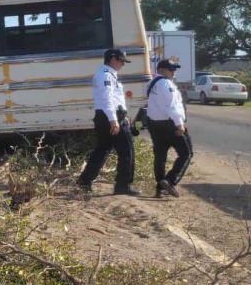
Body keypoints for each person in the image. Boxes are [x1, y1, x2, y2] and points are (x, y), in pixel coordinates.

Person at [77, 49, 140, 196]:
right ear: (112, 59)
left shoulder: (109, 74)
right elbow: (107, 99)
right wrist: (114, 120)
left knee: (102, 150)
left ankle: (85, 180)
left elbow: (116, 100)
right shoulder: (105, 75)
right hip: (110, 117)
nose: (123, 64)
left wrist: (124, 116)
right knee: (127, 150)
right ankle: (123, 185)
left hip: (110, 116)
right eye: (121, 61)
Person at [146, 59, 192, 198]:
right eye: (170, 69)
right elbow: (172, 106)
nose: (173, 72)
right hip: (170, 124)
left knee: (160, 156)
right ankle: (170, 181)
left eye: (174, 69)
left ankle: (160, 188)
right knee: (186, 153)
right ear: (160, 69)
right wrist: (180, 125)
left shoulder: (151, 83)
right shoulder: (166, 84)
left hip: (154, 124)